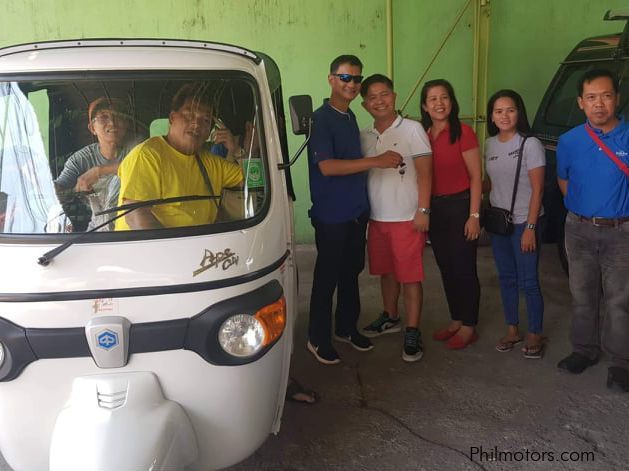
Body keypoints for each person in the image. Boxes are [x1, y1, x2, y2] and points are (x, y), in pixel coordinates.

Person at [306, 55, 403, 365]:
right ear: (332, 79)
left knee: (351, 273)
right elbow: (328, 167)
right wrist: (376, 161)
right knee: (327, 277)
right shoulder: (320, 119)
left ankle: (346, 327)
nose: (352, 84)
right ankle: (317, 337)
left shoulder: (349, 118)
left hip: (354, 213)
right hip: (331, 215)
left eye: (356, 79)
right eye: (345, 78)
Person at [556, 69, 629, 392]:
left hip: (621, 232)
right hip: (578, 230)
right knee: (582, 296)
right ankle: (583, 350)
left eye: (606, 95)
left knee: (618, 301)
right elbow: (564, 180)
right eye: (591, 97)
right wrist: (585, 210)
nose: (599, 104)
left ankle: (620, 363)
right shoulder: (569, 140)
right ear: (580, 103)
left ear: (617, 98)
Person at [358, 74, 432, 362]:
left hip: (407, 219)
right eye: (373, 97)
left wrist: (423, 210)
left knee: (410, 277)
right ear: (365, 105)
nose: (380, 101)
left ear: (395, 96)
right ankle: (391, 316)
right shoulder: (364, 135)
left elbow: (426, 173)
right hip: (377, 219)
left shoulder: (413, 129)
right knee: (386, 273)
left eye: (384, 94)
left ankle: (413, 330)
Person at [115, 82, 243, 230]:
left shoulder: (211, 162)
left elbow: (254, 180)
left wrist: (236, 149)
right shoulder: (148, 155)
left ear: (210, 131)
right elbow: (136, 217)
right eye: (189, 115)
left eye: (206, 120)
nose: (196, 124)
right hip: (153, 250)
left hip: (202, 248)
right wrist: (175, 250)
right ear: (172, 118)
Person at [419, 79, 482, 350]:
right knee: (446, 266)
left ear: (452, 102)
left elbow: (476, 176)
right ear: (425, 106)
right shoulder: (422, 134)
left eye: (444, 97)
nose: (439, 103)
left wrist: (474, 215)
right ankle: (456, 318)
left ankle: (469, 325)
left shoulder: (463, 132)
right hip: (435, 208)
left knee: (464, 267)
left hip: (461, 206)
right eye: (433, 99)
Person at [484, 89, 546, 358]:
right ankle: (512, 329)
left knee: (528, 281)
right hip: (500, 225)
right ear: (492, 116)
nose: (504, 115)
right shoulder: (489, 144)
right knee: (506, 278)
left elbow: (538, 190)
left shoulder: (529, 144)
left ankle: (534, 332)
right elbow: (490, 183)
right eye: (498, 111)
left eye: (510, 110)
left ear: (519, 113)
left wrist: (530, 228)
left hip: (524, 223)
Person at [55, 97, 132, 230]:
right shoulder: (81, 159)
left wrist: (99, 171)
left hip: (133, 226)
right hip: (98, 229)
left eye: (118, 117)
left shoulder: (137, 146)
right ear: (92, 128)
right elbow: (59, 189)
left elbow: (139, 168)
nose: (112, 123)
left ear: (126, 124)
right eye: (103, 117)